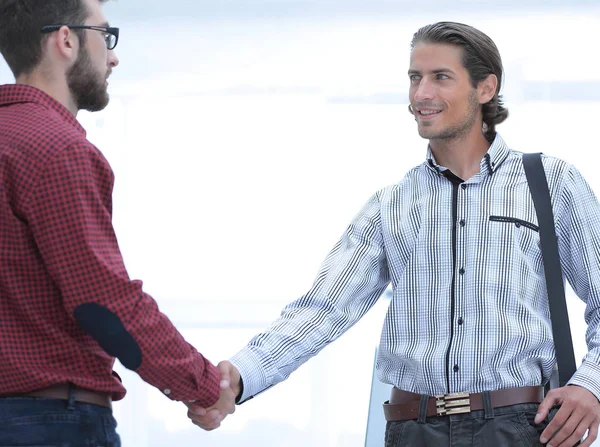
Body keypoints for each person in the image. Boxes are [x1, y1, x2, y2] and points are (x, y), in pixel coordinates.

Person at [188, 21, 600, 446]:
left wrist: (590, 386)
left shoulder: (551, 183)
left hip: (518, 428)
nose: (421, 94)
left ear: (485, 88)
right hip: (411, 429)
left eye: (441, 77)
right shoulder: (391, 205)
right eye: (414, 78)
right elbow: (323, 310)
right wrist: (238, 376)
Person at [0, 0, 234, 445]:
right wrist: (203, 385)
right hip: (50, 423)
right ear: (66, 40)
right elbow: (102, 303)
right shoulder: (56, 149)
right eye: (104, 35)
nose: (113, 55)